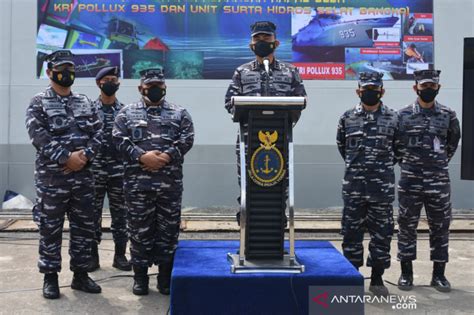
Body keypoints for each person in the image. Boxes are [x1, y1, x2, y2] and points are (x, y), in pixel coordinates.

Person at [25, 50, 103, 299]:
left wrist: (85, 156)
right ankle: (50, 277)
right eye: (61, 68)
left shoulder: (84, 101)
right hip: (52, 179)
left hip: (83, 177)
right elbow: (38, 135)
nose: (67, 73)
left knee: (83, 227)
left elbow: (99, 133)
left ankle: (81, 275)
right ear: (49, 72)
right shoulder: (38, 102)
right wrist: (65, 158)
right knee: (50, 228)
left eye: (70, 68)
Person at [113, 68, 194, 295]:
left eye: (159, 85)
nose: (156, 89)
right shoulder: (126, 113)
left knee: (168, 231)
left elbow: (187, 138)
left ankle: (164, 278)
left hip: (169, 185)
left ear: (165, 87)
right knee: (139, 231)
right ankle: (140, 279)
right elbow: (118, 139)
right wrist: (142, 156)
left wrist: (166, 156)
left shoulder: (180, 113)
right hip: (138, 186)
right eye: (150, 86)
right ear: (141, 88)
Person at [224, 21, 306, 223]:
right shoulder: (241, 72)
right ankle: (248, 242)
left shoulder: (290, 71)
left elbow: (300, 101)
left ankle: (275, 241)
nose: (261, 42)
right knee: (248, 188)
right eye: (257, 39)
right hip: (248, 140)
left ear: (275, 43)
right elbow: (229, 103)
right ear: (250, 44)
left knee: (278, 187)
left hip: (280, 141)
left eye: (266, 38)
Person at [336, 72, 400, 296]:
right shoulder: (347, 118)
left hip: (381, 189)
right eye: (366, 89)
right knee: (351, 234)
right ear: (358, 91)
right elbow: (342, 147)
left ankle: (377, 279)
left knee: (382, 235)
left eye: (375, 89)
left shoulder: (394, 118)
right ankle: (352, 277)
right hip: (354, 188)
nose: (370, 92)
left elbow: (398, 152)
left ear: (382, 91)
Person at [397, 70, 461, 292]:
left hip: (438, 181)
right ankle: (406, 274)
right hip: (410, 181)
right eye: (424, 86)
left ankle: (439, 275)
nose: (428, 90)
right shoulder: (402, 115)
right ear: (416, 88)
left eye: (432, 86)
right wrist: (409, 163)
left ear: (438, 88)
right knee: (406, 226)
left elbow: (452, 142)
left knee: (440, 227)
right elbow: (396, 146)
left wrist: (437, 162)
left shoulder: (448, 115)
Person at [88, 66, 130, 272]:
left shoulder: (125, 111)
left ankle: (120, 255)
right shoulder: (88, 109)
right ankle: (92, 255)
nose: (111, 83)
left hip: (118, 171)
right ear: (99, 83)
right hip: (93, 170)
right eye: (107, 80)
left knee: (121, 214)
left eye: (114, 79)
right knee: (91, 214)